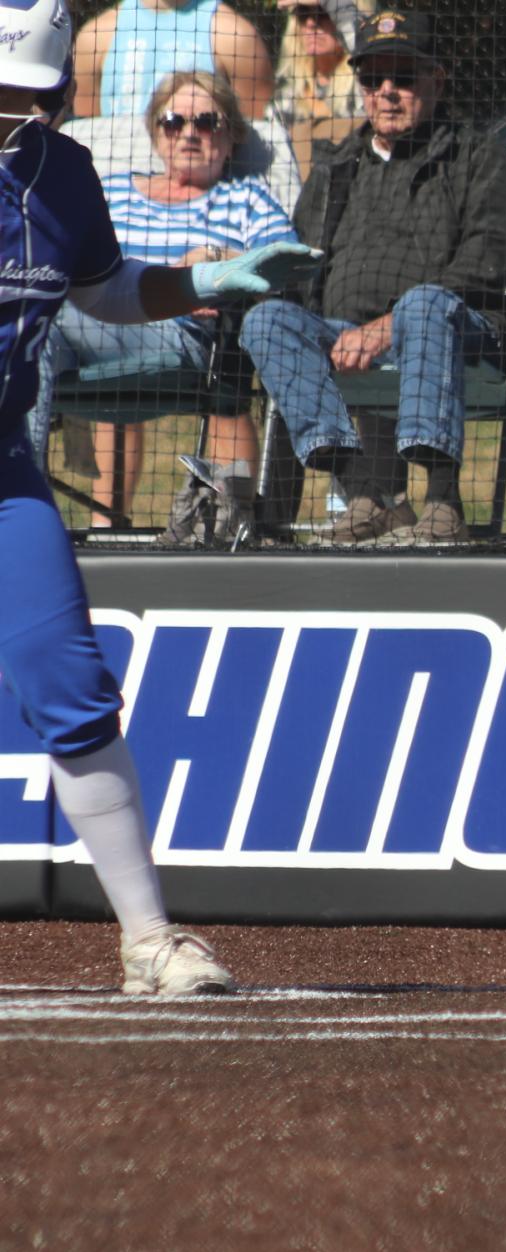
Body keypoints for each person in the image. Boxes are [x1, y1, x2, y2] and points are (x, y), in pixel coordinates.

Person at [0, 0, 316, 992]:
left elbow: (101, 290)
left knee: (72, 682)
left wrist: (212, 273)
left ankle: (148, 939)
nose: (17, 110)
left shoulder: (61, 170)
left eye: (31, 95)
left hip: (3, 471)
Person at [240, 10, 506, 547]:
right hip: (343, 335)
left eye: (404, 76)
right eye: (373, 78)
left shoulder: (478, 154)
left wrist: (388, 325)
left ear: (437, 79)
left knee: (423, 304)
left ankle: (444, 504)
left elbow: (493, 258)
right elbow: (300, 266)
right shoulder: (336, 166)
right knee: (268, 321)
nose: (387, 91)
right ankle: (370, 495)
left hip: (459, 333)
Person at [30, 70, 294, 543]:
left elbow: (287, 261)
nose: (189, 133)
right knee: (34, 330)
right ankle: (21, 494)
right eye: (174, 121)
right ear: (156, 132)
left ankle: (224, 524)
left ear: (231, 137)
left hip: (183, 335)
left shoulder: (245, 198)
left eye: (207, 122)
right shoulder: (110, 188)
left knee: (44, 319)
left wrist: (211, 262)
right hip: (88, 323)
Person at [73, 0, 274, 120]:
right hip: (113, 187)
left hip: (209, 188)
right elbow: (88, 136)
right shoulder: (95, 37)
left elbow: (249, 144)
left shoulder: (236, 36)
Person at [269, 0, 373, 175]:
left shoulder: (367, 84)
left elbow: (366, 46)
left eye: (322, 14)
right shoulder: (284, 94)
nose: (311, 23)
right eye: (303, 14)